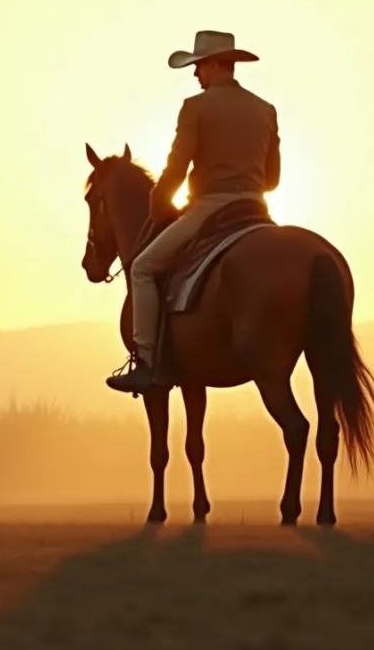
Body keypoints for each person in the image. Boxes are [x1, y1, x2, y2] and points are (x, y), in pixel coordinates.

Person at [105, 30, 282, 395]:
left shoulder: (195, 108)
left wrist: (160, 204)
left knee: (141, 268)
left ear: (217, 65)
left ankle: (147, 363)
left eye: (199, 66)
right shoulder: (266, 109)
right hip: (258, 212)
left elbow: (175, 169)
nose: (195, 75)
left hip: (209, 208)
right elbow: (273, 179)